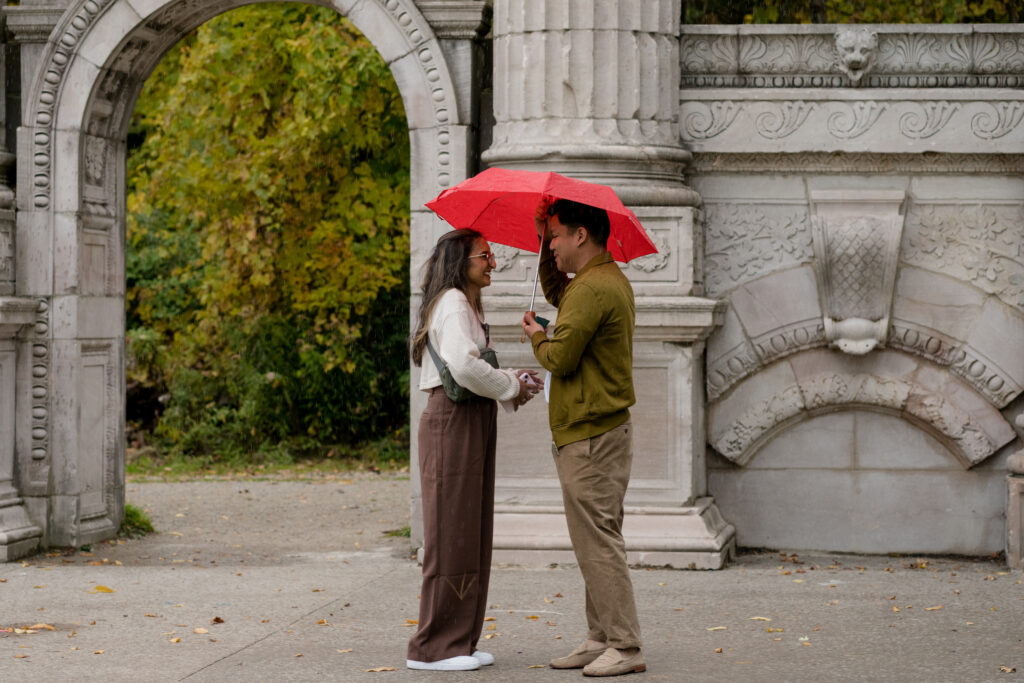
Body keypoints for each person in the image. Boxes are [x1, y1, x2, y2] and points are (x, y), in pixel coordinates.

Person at [521, 198, 645, 677]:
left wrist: (536, 335)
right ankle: (601, 637)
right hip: (597, 431)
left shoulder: (593, 290)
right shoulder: (595, 283)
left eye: (554, 236)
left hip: (591, 435)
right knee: (596, 539)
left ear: (579, 235)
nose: (551, 245)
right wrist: (538, 242)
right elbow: (563, 298)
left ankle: (627, 646)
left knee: (598, 543)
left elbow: (560, 358)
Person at [407, 228, 542, 672]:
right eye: (485, 256)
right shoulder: (452, 303)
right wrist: (509, 385)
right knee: (450, 536)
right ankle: (433, 648)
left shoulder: (462, 304)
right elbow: (464, 366)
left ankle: (459, 640)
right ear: (460, 261)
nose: (493, 263)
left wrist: (511, 382)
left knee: (470, 532)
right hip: (452, 421)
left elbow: (470, 364)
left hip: (467, 419)